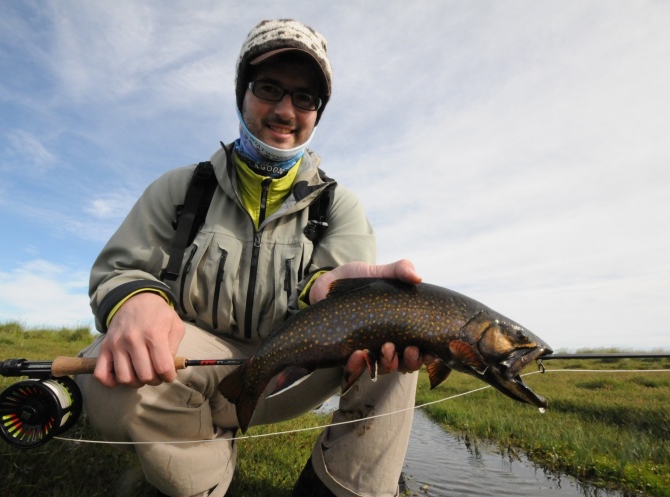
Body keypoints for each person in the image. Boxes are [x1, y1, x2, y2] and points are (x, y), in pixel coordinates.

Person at [76, 19, 429, 497]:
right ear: (242, 94)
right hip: (197, 369)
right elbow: (120, 270)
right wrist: (136, 299)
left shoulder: (339, 205)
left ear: (317, 114)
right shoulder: (181, 189)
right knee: (111, 369)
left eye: (305, 98)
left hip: (294, 371)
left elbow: (328, 282)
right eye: (269, 88)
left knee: (394, 348)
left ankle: (337, 488)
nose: (285, 110)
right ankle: (201, 476)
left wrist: (331, 290)